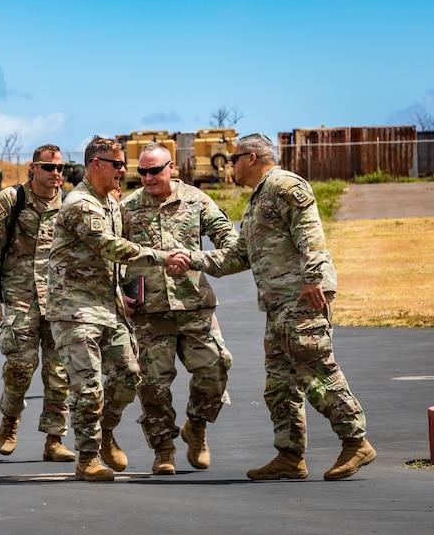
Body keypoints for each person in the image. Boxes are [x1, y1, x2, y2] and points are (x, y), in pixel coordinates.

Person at [189, 132, 376, 481]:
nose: (230, 165)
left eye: (234, 159)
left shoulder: (284, 185)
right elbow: (238, 257)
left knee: (315, 369)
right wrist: (192, 259)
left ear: (252, 158)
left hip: (302, 297)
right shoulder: (257, 199)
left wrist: (314, 279)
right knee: (279, 384)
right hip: (278, 303)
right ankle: (289, 456)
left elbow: (310, 233)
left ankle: (356, 441)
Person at [47, 136, 183, 481]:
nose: (124, 171)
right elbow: (108, 246)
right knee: (89, 386)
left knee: (128, 374)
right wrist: (161, 256)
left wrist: (124, 291)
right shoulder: (80, 203)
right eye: (117, 164)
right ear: (96, 164)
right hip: (74, 310)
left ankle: (105, 430)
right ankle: (88, 458)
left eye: (124, 164)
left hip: (107, 307)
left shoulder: (109, 202)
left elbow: (110, 264)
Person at [119, 142, 237, 475]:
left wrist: (198, 260)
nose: (147, 177)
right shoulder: (127, 208)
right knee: (153, 384)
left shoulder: (197, 200)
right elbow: (109, 255)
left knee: (217, 367)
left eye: (154, 170)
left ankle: (196, 426)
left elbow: (230, 242)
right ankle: (164, 448)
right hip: (149, 311)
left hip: (193, 305)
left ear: (172, 168)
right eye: (141, 172)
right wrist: (120, 293)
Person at [0, 144, 75, 463]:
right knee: (19, 367)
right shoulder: (11, 200)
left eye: (60, 167)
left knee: (60, 372)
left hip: (61, 300)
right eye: (49, 167)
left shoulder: (73, 204)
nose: (56, 173)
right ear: (34, 168)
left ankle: (55, 438)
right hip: (21, 298)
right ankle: (10, 417)